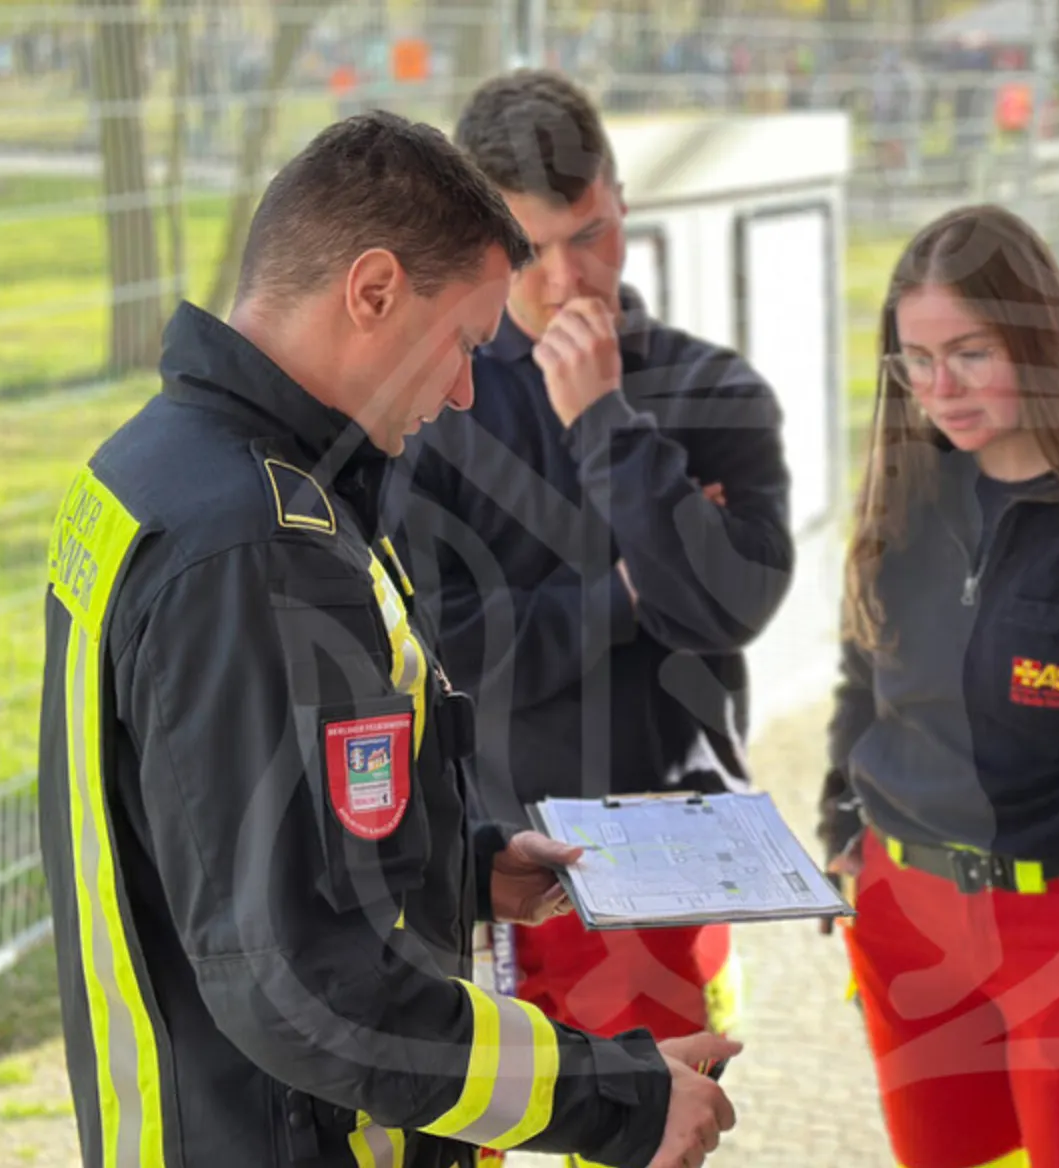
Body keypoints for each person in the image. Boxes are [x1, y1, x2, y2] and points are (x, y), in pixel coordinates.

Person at [37, 110, 740, 1168]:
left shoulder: (157, 470)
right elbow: (298, 983)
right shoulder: (254, 546)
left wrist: (457, 868)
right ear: (370, 291)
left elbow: (215, 837)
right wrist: (619, 1100)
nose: (463, 391)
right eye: (462, 343)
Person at [386, 70, 791, 1064]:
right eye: (530, 251)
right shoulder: (427, 408)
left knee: (656, 1126)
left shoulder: (715, 390)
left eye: (592, 235)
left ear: (621, 207)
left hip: (665, 848)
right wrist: (627, 587)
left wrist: (604, 422)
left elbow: (725, 609)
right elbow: (448, 646)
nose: (571, 279)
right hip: (489, 854)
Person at [817, 204, 1059, 1168]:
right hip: (904, 918)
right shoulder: (903, 497)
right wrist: (843, 831)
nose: (938, 388)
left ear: (1038, 341)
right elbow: (864, 679)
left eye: (970, 353)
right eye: (916, 360)